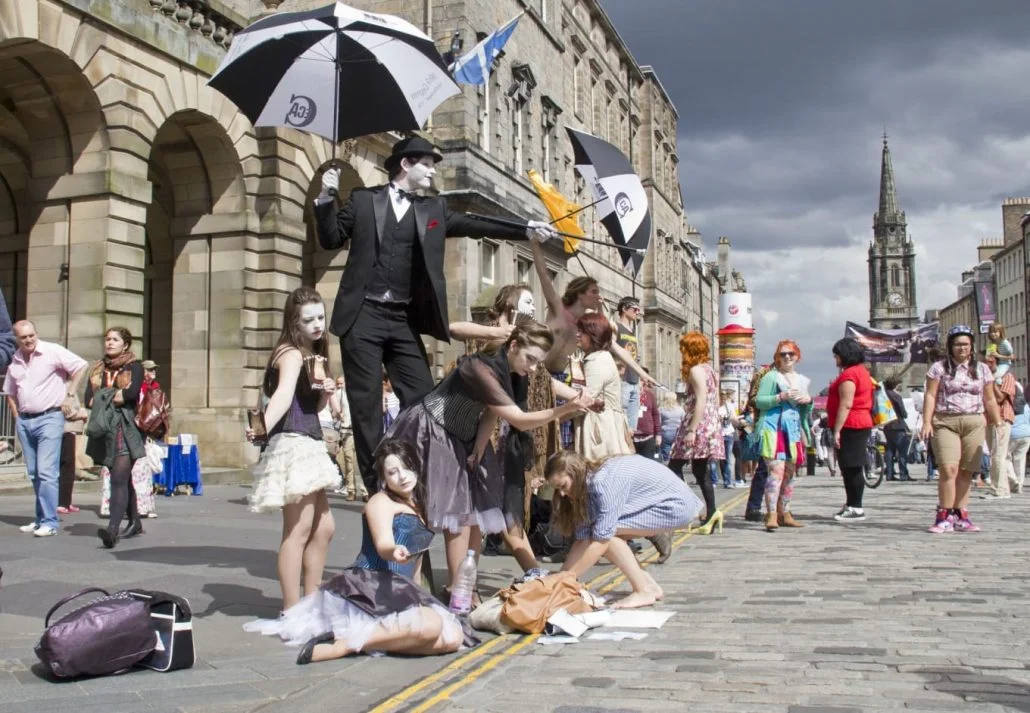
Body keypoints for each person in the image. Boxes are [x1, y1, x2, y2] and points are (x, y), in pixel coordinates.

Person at [314, 136, 558, 496]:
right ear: (405, 165)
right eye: (427, 163)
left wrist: (524, 228)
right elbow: (331, 238)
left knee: (425, 400)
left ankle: (417, 470)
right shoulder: (365, 201)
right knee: (364, 408)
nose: (432, 170)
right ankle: (377, 488)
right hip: (362, 315)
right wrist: (325, 199)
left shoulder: (434, 211)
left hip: (402, 319)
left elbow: (475, 223)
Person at [385, 320, 591, 603]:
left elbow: (491, 411)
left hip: (465, 436)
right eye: (530, 359)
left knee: (476, 516)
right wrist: (564, 409)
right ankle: (457, 592)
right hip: (435, 430)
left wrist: (479, 446)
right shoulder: (480, 368)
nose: (532, 368)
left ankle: (464, 589)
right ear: (514, 345)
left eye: (537, 362)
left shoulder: (510, 368)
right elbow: (517, 419)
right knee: (458, 515)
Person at [244, 439, 463, 665]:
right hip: (371, 587)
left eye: (407, 467)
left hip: (400, 589)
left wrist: (419, 597)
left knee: (453, 638)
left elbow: (415, 565)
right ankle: (343, 644)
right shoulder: (380, 502)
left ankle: (364, 642)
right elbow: (383, 544)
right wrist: (393, 550)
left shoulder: (419, 505)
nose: (402, 476)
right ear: (384, 478)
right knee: (431, 626)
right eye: (392, 472)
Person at [248, 287, 341, 610]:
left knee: (324, 527)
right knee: (298, 530)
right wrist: (262, 426)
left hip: (308, 440)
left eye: (320, 316)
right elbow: (284, 395)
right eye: (308, 319)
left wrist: (326, 393)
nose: (317, 324)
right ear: (294, 322)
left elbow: (309, 406)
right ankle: (292, 609)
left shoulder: (309, 354)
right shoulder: (290, 354)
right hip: (294, 443)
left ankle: (309, 601)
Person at [529, 238, 655, 450]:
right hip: (536, 371)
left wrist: (641, 373)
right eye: (593, 292)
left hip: (560, 378)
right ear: (580, 293)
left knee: (559, 440)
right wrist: (533, 243)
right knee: (536, 434)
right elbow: (543, 276)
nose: (598, 295)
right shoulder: (558, 309)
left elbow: (612, 345)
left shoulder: (585, 324)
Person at [547, 451, 703, 609]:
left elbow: (600, 541)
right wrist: (561, 578)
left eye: (563, 486)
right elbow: (582, 539)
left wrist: (566, 581)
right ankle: (648, 586)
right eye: (557, 489)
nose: (562, 494)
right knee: (604, 531)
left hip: (677, 506)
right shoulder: (588, 483)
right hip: (668, 501)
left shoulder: (602, 483)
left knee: (608, 533)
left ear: (576, 473)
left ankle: (643, 591)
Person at [4, 321, 88, 537]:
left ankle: (50, 522)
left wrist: (69, 395)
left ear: (36, 333)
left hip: (49, 418)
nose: (29, 340)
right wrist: (17, 417)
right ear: (17, 340)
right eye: (24, 338)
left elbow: (81, 366)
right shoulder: (16, 360)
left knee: (46, 471)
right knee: (34, 473)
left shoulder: (52, 351)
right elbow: (10, 392)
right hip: (25, 420)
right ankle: (41, 517)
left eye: (32, 335)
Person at [920, 324, 1002, 533]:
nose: (962, 348)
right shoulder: (939, 368)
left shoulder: (982, 369)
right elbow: (930, 395)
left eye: (965, 344)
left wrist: (998, 421)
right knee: (949, 469)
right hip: (945, 421)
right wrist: (927, 422)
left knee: (967, 470)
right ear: (950, 346)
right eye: (957, 344)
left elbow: (990, 398)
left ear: (972, 345)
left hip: (974, 421)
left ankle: (960, 513)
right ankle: (943, 514)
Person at [84, 327, 146, 548]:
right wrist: (113, 395)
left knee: (118, 477)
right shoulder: (97, 369)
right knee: (122, 477)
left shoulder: (135, 367)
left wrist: (103, 396)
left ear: (125, 344)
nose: (109, 343)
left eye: (115, 340)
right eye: (107, 339)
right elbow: (88, 400)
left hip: (126, 427)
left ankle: (112, 530)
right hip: (104, 429)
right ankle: (135, 521)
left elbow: (130, 394)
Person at [667, 332, 724, 535]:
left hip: (697, 423)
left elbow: (700, 401)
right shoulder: (711, 370)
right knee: (701, 472)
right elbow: (715, 401)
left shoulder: (695, 371)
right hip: (709, 424)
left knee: (674, 466)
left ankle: (691, 506)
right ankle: (711, 513)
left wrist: (692, 430)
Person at [752, 340, 813, 531]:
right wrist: (780, 397)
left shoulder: (802, 380)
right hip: (773, 429)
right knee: (776, 472)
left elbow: (805, 410)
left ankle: (785, 512)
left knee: (789, 473)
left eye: (791, 354)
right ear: (777, 357)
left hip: (792, 431)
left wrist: (808, 400)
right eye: (783, 354)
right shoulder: (772, 377)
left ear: (797, 357)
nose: (787, 357)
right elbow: (758, 401)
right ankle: (771, 514)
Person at [574, 313, 635, 461]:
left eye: (582, 332)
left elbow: (586, 400)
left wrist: (556, 416)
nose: (577, 335)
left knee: (599, 472)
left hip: (600, 427)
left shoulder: (596, 361)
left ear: (593, 334)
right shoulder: (601, 357)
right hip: (606, 424)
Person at [826, 338, 874, 522]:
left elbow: (846, 404)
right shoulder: (861, 371)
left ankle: (856, 506)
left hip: (851, 424)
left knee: (852, 467)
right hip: (859, 422)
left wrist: (837, 430)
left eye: (836, 355)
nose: (835, 359)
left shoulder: (850, 375)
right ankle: (852, 503)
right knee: (849, 467)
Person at [983, 353, 1018, 500]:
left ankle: (1002, 489)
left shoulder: (1007, 377)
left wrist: (991, 381)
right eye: (986, 362)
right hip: (989, 419)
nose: (987, 365)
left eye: (990, 362)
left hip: (1002, 418)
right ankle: (995, 487)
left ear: (998, 363)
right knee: (993, 455)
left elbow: (999, 398)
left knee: (999, 456)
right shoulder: (986, 378)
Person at [329, 374, 365, 501]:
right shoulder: (340, 394)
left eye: (341, 383)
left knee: (363, 461)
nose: (340, 386)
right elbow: (334, 411)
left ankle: (365, 490)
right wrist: (339, 414)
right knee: (349, 461)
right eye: (338, 383)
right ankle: (351, 489)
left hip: (360, 430)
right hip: (346, 430)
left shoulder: (360, 392)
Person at [614, 296, 643, 431]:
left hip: (634, 380)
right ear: (624, 309)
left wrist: (641, 380)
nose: (638, 312)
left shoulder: (633, 332)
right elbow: (610, 347)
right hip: (622, 379)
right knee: (621, 420)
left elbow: (636, 358)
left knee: (632, 427)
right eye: (635, 309)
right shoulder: (616, 327)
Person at [882, 376, 911, 481]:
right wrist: (905, 414)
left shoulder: (883, 395)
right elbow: (902, 412)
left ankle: (889, 474)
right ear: (895, 385)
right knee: (902, 450)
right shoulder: (896, 396)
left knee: (890, 450)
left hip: (887, 425)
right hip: (898, 425)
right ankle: (903, 474)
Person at [1006, 382, 1029, 495]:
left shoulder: (1008, 405)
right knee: (1020, 460)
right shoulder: (1025, 406)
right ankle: (1019, 484)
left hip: (1011, 434)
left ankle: (1013, 480)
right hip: (1026, 435)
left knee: (1006, 457)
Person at [633, 374, 661, 460]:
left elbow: (655, 415)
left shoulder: (650, 395)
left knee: (648, 463)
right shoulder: (628, 394)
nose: (642, 383)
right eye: (640, 380)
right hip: (631, 436)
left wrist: (658, 434)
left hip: (648, 436)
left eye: (643, 381)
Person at [717, 391, 740, 489]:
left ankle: (728, 481)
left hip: (728, 434)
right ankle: (718, 479)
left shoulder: (728, 406)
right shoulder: (714, 407)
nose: (722, 399)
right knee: (719, 459)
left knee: (728, 458)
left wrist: (738, 422)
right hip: (718, 434)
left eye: (724, 397)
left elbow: (734, 419)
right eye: (721, 397)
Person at [657, 391, 684, 463]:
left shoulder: (661, 409)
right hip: (677, 432)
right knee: (675, 448)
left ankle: (666, 461)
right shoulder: (680, 409)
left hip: (665, 432)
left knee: (666, 448)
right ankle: (673, 461)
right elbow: (683, 421)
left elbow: (658, 423)